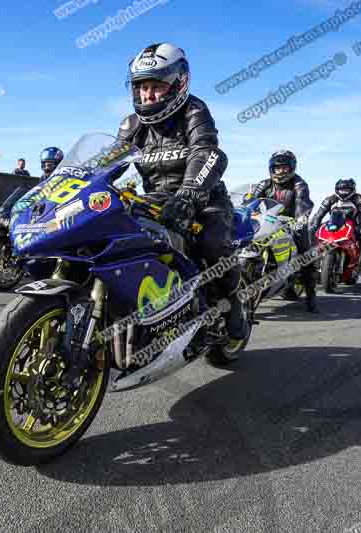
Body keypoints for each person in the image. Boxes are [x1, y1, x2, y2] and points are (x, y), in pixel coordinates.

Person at [116, 42, 247, 347]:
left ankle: (232, 303)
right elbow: (107, 159)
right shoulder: (133, 125)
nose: (147, 95)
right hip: (156, 200)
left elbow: (207, 152)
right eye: (141, 87)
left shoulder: (194, 111)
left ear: (178, 83)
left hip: (204, 199)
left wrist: (188, 195)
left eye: (156, 86)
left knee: (214, 245)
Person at [247, 149, 319, 312]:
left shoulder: (299, 184)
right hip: (266, 221)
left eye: (285, 168)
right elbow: (250, 201)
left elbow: (303, 203)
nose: (281, 171)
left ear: (291, 168)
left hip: (291, 223)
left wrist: (300, 219)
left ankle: (311, 295)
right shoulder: (264, 184)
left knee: (305, 254)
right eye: (277, 168)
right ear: (271, 169)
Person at [310, 178, 361, 278]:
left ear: (352, 189)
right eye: (341, 190)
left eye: (346, 190)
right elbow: (319, 215)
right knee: (314, 236)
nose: (343, 192)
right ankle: (312, 267)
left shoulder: (359, 199)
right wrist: (314, 226)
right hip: (333, 224)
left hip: (354, 224)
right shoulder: (330, 199)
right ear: (336, 189)